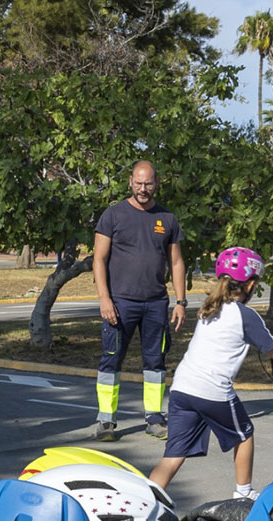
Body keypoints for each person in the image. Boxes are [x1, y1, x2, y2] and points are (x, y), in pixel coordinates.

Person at [147, 248, 273, 498]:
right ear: (249, 284)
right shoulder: (245, 314)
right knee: (244, 434)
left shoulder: (211, 307)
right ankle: (243, 493)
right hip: (212, 390)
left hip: (183, 388)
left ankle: (148, 499)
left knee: (173, 455)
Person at [91, 160, 188, 442]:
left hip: (156, 304)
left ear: (156, 183)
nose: (143, 189)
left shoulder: (167, 218)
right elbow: (99, 258)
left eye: (148, 184)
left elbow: (177, 261)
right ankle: (106, 421)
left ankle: (154, 418)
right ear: (130, 182)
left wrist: (180, 301)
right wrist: (104, 299)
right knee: (111, 360)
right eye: (139, 183)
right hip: (119, 303)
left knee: (155, 362)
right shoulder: (113, 215)